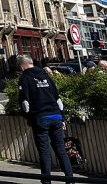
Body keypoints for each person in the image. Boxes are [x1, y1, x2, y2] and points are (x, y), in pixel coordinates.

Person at [17, 54, 74, 184]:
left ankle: (46, 181)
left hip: (40, 117)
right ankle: (70, 180)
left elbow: (25, 104)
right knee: (61, 150)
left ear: (22, 65)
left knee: (44, 151)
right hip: (56, 115)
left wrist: (29, 118)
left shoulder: (25, 78)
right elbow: (58, 99)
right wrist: (62, 117)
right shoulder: (45, 75)